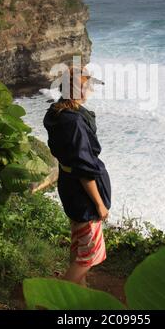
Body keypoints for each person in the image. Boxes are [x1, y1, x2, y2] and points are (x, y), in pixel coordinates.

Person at [43, 66, 111, 286]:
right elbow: (84, 169)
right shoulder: (73, 122)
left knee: (79, 244)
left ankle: (78, 297)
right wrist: (99, 204)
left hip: (68, 185)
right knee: (90, 255)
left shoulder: (57, 112)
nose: (91, 89)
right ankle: (56, 299)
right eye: (88, 85)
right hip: (83, 194)